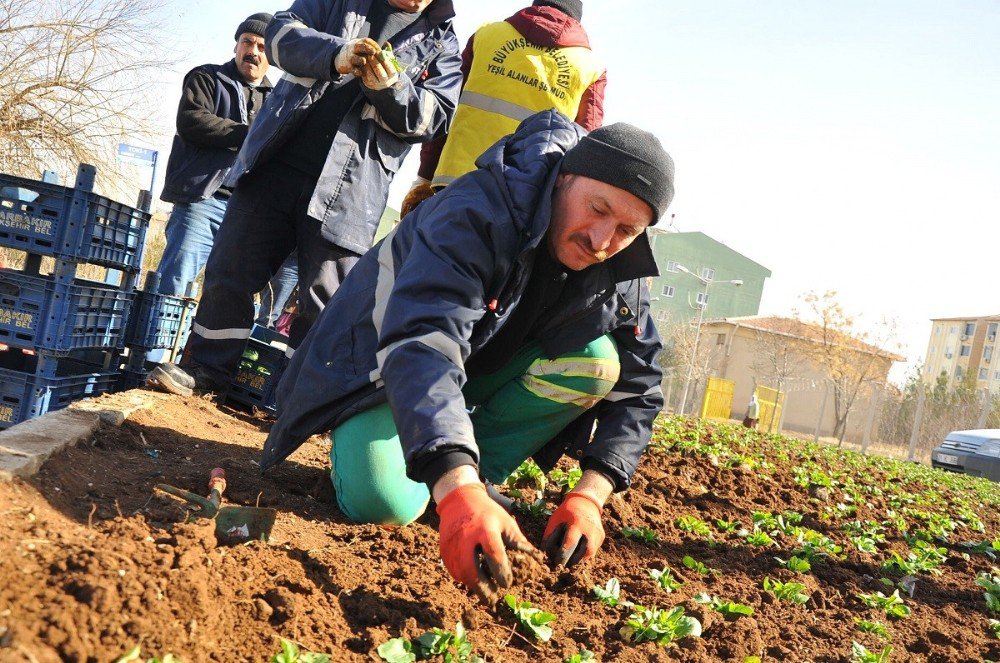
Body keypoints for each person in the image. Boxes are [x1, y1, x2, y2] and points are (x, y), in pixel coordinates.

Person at [261, 109, 673, 601]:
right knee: (383, 500)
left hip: (471, 369)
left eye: (627, 229)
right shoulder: (478, 212)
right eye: (598, 208)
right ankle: (452, 482)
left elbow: (641, 388)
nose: (603, 241)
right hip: (382, 367)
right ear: (564, 180)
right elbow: (424, 340)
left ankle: (472, 477)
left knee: (599, 361)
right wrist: (455, 488)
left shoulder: (621, 268)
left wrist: (592, 492)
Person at [148, 0, 463, 397]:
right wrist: (337, 55)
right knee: (231, 271)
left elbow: (434, 119)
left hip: (352, 190)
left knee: (325, 304)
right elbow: (280, 35)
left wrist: (392, 88)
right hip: (275, 166)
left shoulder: (443, 45)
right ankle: (207, 370)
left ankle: (293, 400)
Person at [399, 0, 605, 217]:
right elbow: (585, 151)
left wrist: (424, 175)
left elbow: (446, 106)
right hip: (524, 203)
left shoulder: (487, 36)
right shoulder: (590, 68)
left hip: (454, 184)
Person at [155, 13, 278, 299]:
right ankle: (152, 346)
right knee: (174, 283)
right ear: (236, 46)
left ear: (273, 56)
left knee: (221, 296)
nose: (253, 52)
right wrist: (251, 134)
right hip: (202, 200)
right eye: (248, 42)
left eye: (263, 47)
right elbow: (192, 121)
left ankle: (189, 345)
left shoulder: (278, 99)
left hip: (244, 212)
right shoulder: (208, 78)